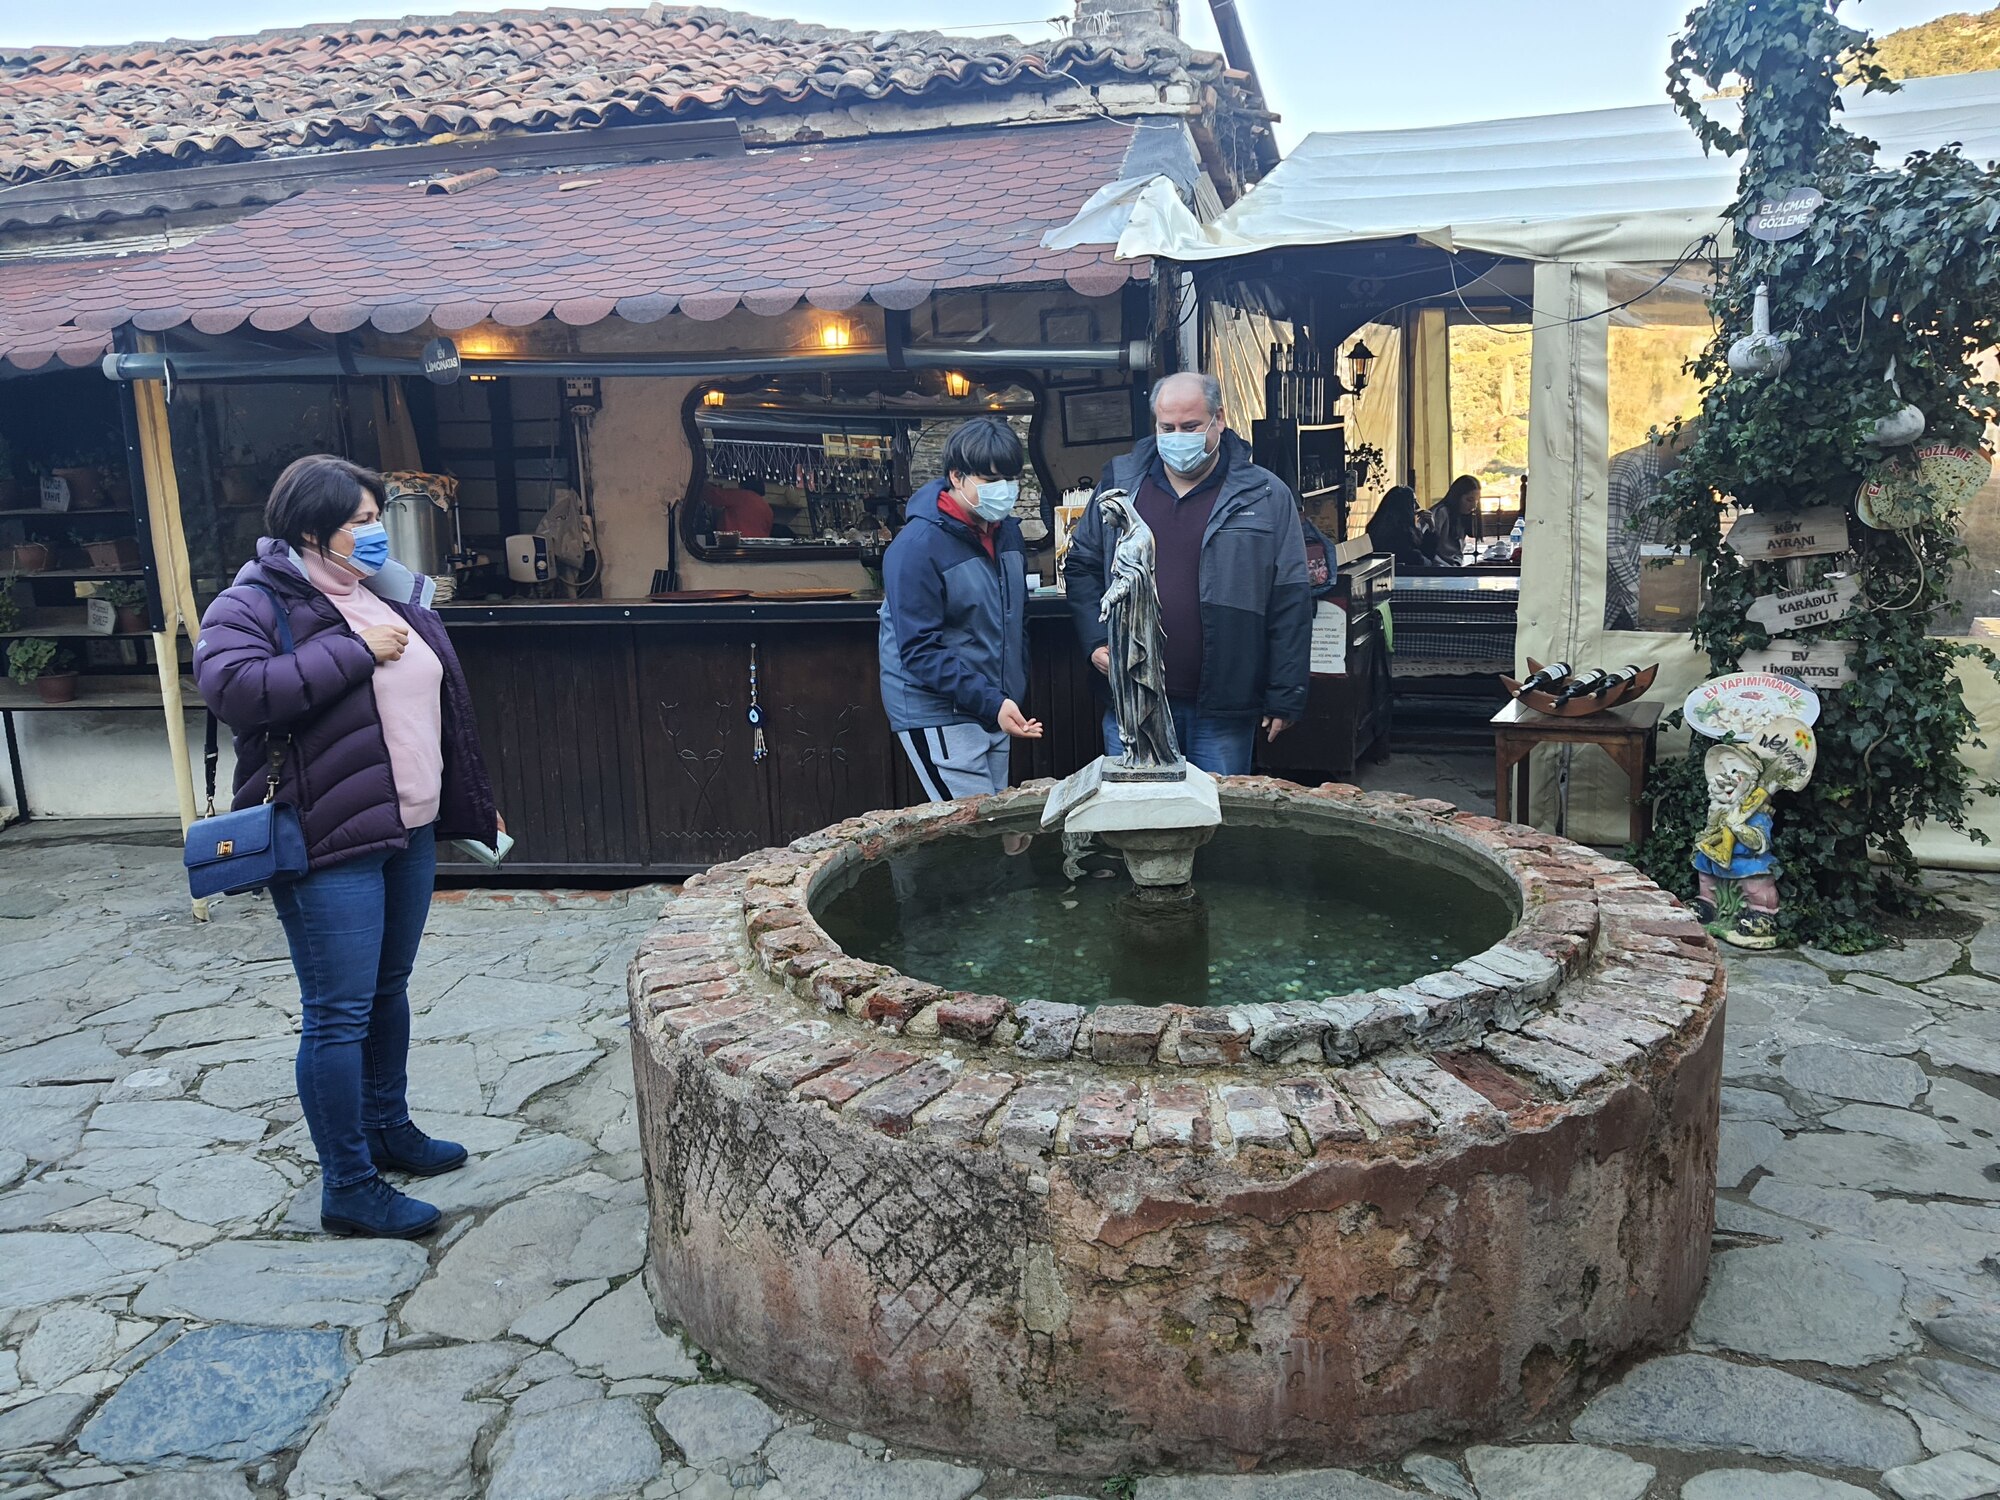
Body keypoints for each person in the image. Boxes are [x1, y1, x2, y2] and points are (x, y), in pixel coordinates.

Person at [195, 455, 499, 1240]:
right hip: (326, 835)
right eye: (361, 522)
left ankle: (389, 1130)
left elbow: (438, 701)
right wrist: (358, 652)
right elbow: (233, 689)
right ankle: (350, 1185)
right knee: (336, 1014)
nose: (375, 534)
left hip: (407, 826)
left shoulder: (380, 590)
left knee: (388, 991)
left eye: (377, 519)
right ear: (309, 531)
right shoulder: (253, 601)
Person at [1063, 371, 1311, 776]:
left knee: (1216, 820)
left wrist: (1286, 692)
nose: (1178, 436)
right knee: (1135, 820)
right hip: (1136, 700)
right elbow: (1083, 566)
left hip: (1224, 704)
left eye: (1191, 426)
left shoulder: (1265, 494)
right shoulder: (1122, 484)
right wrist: (1095, 640)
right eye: (1168, 427)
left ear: (1219, 419)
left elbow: (1290, 598)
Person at [878, 416, 1043, 803]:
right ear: (956, 476)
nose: (1004, 491)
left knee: (995, 823)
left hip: (994, 703)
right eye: (990, 482)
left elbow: (1017, 619)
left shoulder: (1008, 532)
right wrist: (994, 699)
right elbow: (919, 650)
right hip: (937, 708)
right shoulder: (916, 547)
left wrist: (1006, 694)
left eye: (1011, 480)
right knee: (968, 830)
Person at [1605, 426, 1695, 631]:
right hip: (1616, 604)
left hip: (1650, 605)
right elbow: (1610, 545)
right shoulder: (1626, 469)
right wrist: (1645, 604)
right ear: (1678, 442)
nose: (1691, 464)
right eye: (1691, 453)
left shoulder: (1673, 475)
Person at [1365, 486, 1442, 570]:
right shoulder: (1396, 533)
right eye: (1413, 502)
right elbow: (1417, 559)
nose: (1417, 506)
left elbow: (1426, 555)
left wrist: (1431, 528)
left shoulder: (1406, 528)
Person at [1425, 474, 1482, 566]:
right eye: (1469, 500)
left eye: (1477, 501)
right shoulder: (1441, 513)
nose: (1474, 506)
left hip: (1452, 566)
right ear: (1457, 497)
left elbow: (1457, 553)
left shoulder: (1461, 515)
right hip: (1437, 568)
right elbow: (1428, 549)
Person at [702, 477, 774, 539]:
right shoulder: (767, 508)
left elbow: (714, 495)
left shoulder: (742, 497)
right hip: (756, 551)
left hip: (734, 547)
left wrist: (700, 482)